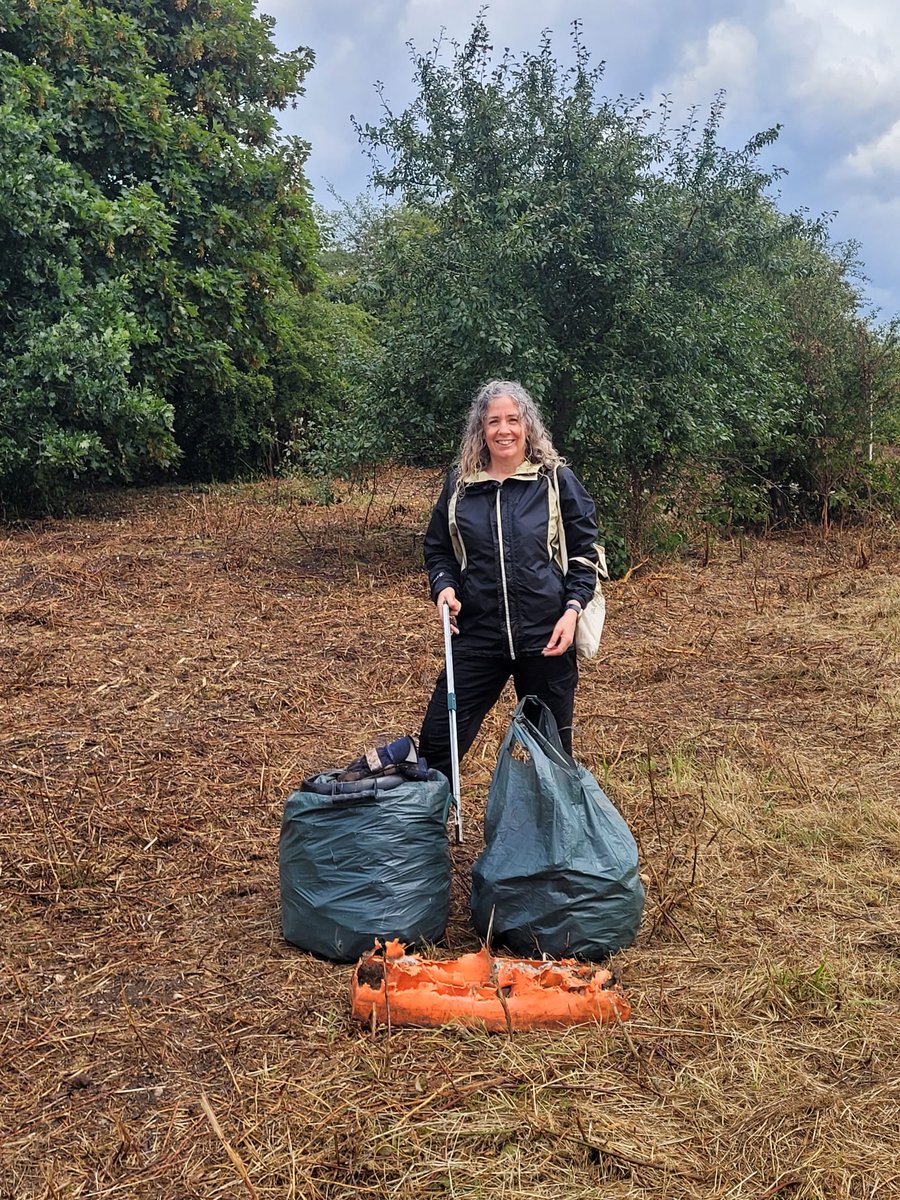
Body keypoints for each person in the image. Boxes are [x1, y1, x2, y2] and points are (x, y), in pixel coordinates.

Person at [418, 379, 600, 778]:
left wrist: (571, 612)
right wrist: (444, 587)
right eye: (494, 421)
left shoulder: (554, 481)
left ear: (527, 426)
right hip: (477, 635)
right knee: (437, 741)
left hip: (546, 636)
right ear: (481, 431)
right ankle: (424, 830)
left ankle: (552, 832)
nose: (504, 429)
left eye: (513, 420)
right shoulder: (461, 487)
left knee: (551, 750)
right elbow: (438, 550)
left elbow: (586, 555)